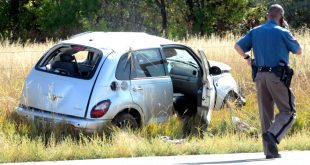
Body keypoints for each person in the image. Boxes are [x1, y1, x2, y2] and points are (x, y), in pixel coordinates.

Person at [234, 4, 302, 159]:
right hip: (277, 77)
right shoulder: (283, 32)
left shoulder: (255, 31)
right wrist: (288, 29)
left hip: (260, 77)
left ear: (267, 15)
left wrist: (247, 59)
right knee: (289, 111)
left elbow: (237, 46)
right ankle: (272, 134)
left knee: (266, 114)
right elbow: (298, 50)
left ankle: (270, 152)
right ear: (281, 17)